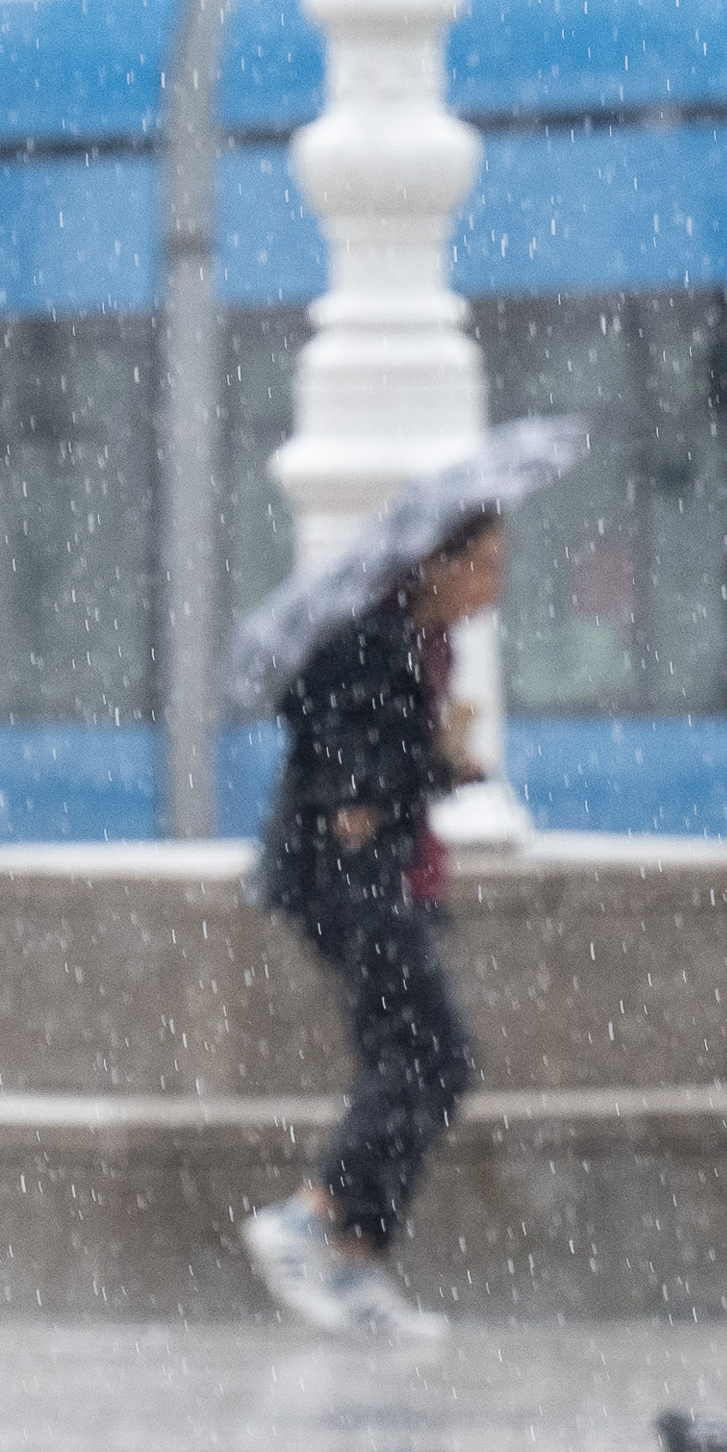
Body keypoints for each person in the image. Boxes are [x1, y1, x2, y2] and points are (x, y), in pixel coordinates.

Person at [237, 509, 504, 1339]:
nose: (493, 586)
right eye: (483, 565)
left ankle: (355, 1261)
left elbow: (378, 773)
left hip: (386, 878)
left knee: (416, 1059)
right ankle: (307, 1218)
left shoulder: (424, 644)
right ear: (438, 564)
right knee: (431, 1055)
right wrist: (424, 767)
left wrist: (439, 768)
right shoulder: (369, 638)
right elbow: (348, 772)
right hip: (347, 883)